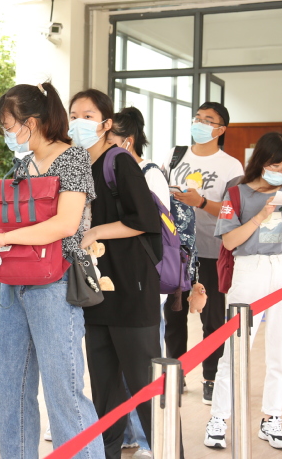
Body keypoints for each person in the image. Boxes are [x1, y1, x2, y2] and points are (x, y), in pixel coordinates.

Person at [0, 83, 105, 459]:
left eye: (9, 125)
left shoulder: (72, 158)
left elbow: (65, 223)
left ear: (32, 121)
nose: (7, 133)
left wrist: (0, 237)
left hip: (55, 283)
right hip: (14, 282)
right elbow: (19, 211)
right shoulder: (23, 164)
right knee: (10, 388)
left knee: (64, 393)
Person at [68, 90, 165, 459]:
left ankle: (168, 450)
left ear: (106, 123)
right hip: (95, 293)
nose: (78, 122)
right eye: (73, 115)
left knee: (145, 388)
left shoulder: (118, 161)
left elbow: (145, 220)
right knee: (105, 392)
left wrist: (95, 231)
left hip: (132, 290)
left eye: (88, 115)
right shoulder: (77, 165)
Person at [105, 107, 206, 457]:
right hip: (118, 281)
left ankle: (157, 444)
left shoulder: (148, 174)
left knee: (145, 368)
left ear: (126, 141)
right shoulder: (110, 171)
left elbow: (155, 230)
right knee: (123, 369)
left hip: (144, 280)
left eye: (109, 137)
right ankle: (129, 435)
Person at [204, 132, 282, 450]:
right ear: (262, 162)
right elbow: (229, 241)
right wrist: (260, 217)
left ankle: (272, 416)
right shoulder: (237, 194)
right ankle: (219, 418)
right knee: (235, 349)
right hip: (249, 270)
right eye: (277, 165)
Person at [161, 102, 243, 405]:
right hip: (176, 249)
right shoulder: (175, 155)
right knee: (174, 314)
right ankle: (175, 373)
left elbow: (234, 212)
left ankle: (211, 377)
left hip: (211, 250)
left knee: (212, 318)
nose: (200, 124)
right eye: (198, 118)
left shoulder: (231, 166)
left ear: (221, 129)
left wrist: (201, 202)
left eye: (208, 120)